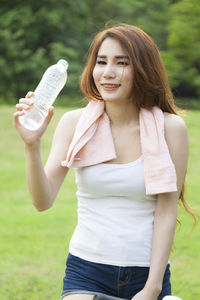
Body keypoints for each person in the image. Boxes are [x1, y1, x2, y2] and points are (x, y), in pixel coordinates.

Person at [14, 23, 194, 300]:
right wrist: (32, 144)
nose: (107, 72)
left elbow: (167, 211)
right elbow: (43, 201)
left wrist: (152, 288)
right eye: (101, 62)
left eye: (122, 63)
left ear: (143, 69)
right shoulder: (75, 123)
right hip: (87, 271)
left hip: (147, 274)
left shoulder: (170, 129)